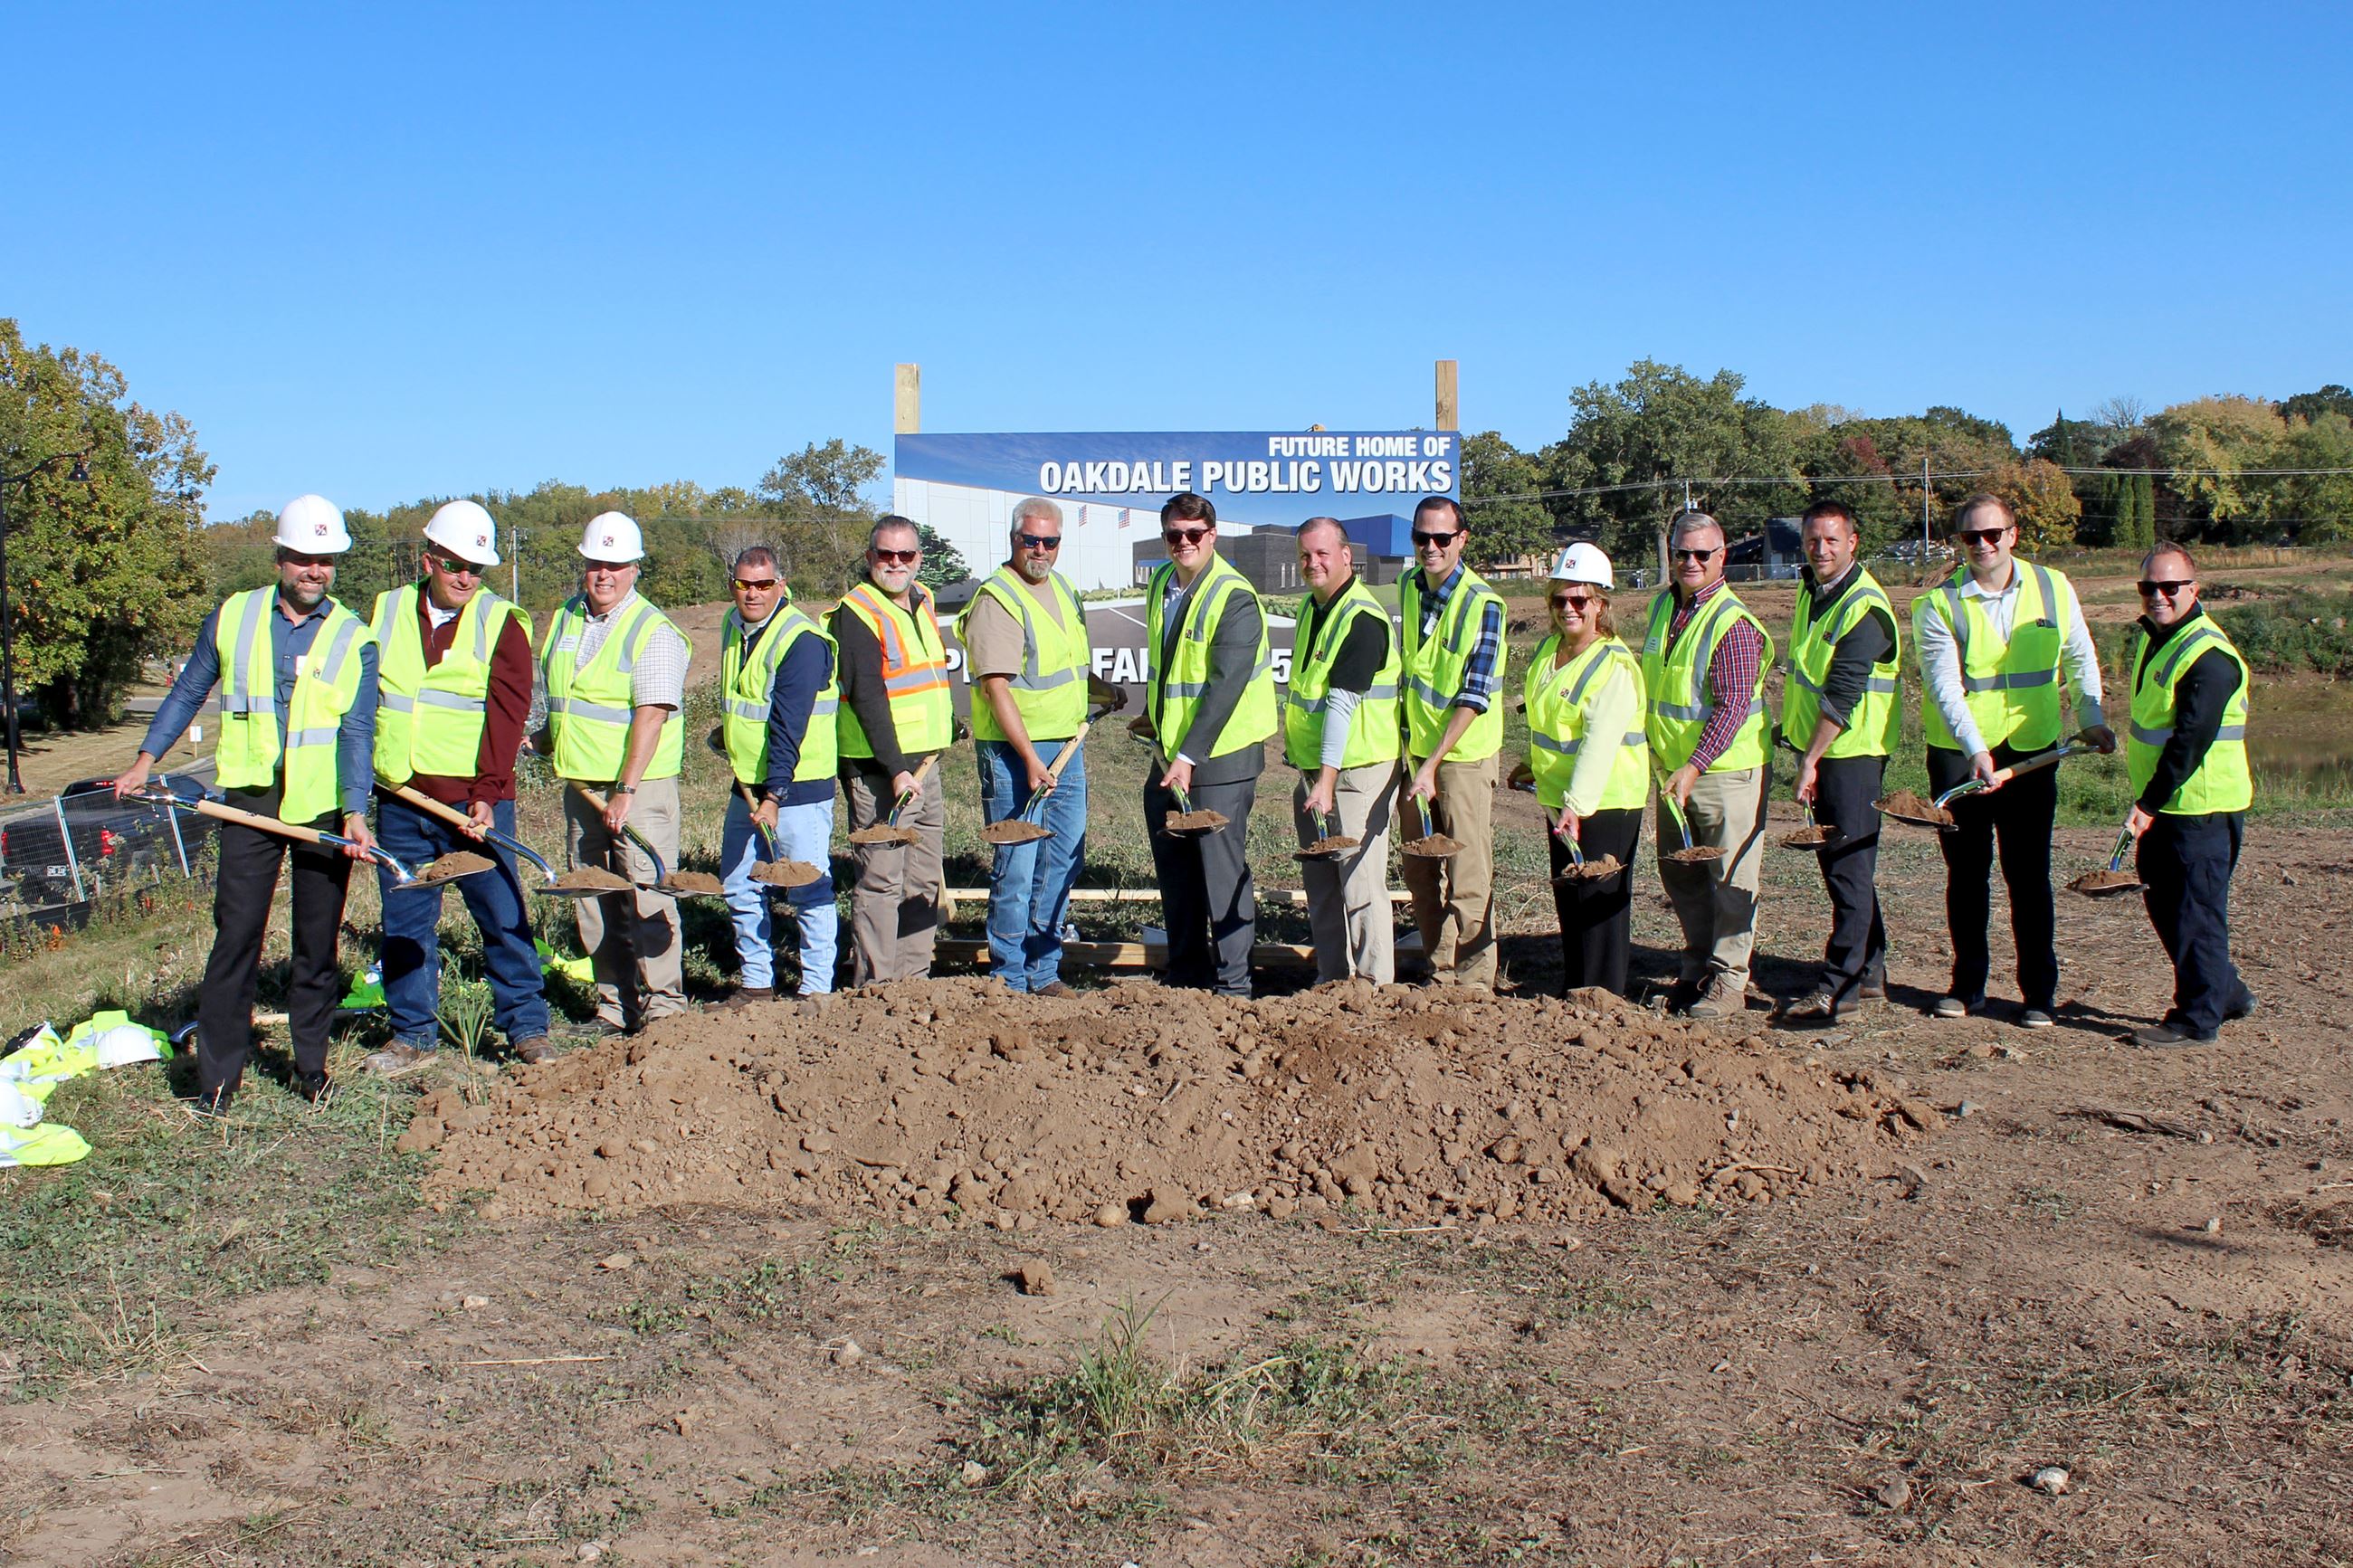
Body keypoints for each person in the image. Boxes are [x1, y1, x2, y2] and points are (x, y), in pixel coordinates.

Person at [111, 495, 379, 1114]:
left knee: (317, 942)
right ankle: (218, 1077)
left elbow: (358, 732)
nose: (317, 570)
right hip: (251, 802)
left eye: (328, 560)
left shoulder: (353, 636)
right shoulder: (233, 616)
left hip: (320, 809)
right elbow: (187, 689)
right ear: (282, 557)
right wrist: (147, 759)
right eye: (306, 558)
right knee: (236, 936)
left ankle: (310, 1066)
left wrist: (356, 810)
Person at [1913, 493, 2115, 1027]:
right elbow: (1944, 687)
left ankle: (2038, 995)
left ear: (2013, 534)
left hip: (2034, 752)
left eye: (1992, 534)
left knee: (2028, 874)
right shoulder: (1939, 604)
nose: (1983, 545)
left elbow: (2078, 654)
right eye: (1970, 538)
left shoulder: (2053, 586)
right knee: (1967, 872)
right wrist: (1975, 750)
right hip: (1961, 757)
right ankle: (1967, 985)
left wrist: (2091, 715)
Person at [365, 499, 549, 1069]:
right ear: (429, 560)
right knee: (405, 922)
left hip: (474, 804)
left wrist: (489, 794)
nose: (466, 578)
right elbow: (363, 698)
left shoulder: (503, 622)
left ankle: (526, 1027)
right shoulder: (386, 611)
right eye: (454, 566)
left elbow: (507, 715)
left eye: (477, 569)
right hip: (400, 797)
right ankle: (412, 1034)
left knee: (501, 913)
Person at [538, 511, 692, 1036]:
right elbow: (566, 694)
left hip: (636, 790)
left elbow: (651, 715)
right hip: (581, 784)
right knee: (593, 894)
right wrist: (546, 738)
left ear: (634, 570)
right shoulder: (567, 617)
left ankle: (665, 1009)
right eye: (596, 564)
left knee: (646, 893)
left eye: (617, 566)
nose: (605, 575)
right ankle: (613, 1006)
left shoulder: (652, 630)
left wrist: (625, 790)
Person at [2120, 544, 2258, 1047]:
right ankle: (2225, 992)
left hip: (2200, 808)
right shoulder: (2158, 636)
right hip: (2171, 806)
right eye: (2148, 587)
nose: (2158, 596)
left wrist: (2149, 802)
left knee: (2196, 913)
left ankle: (2197, 1019)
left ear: (2193, 590)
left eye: (2169, 587)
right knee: (2167, 905)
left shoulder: (2209, 656)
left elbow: (2190, 739)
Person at [1641, 509, 1776, 1019]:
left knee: (1731, 880)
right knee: (1682, 875)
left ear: (1722, 557)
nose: (1691, 562)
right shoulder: (1663, 609)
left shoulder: (1733, 624)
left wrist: (1694, 766)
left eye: (1703, 554)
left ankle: (1729, 980)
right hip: (1674, 773)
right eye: (1682, 553)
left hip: (1722, 774)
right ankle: (1696, 967)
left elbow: (1733, 705)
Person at [1140, 491, 1277, 996]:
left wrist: (1187, 756)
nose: (1183, 543)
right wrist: (1156, 724)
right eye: (1174, 534)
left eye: (1193, 534)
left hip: (1219, 758)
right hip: (1169, 755)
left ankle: (1233, 986)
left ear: (1212, 537)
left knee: (1221, 872)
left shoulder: (1233, 595)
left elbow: (1225, 685)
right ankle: (1186, 973)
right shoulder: (1161, 583)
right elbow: (1170, 668)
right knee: (1177, 872)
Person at [956, 499, 1091, 996]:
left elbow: (1060, 669)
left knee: (1062, 859)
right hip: (1017, 755)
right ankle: (1009, 978)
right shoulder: (998, 598)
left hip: (1066, 747)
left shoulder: (1063, 588)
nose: (1039, 550)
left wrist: (1099, 691)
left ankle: (1043, 969)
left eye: (1049, 541)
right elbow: (997, 687)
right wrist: (1031, 759)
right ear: (1012, 539)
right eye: (1028, 540)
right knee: (1018, 866)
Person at [1777, 500, 1901, 1023]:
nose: (1821, 549)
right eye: (1812, 540)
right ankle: (1870, 968)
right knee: (1843, 869)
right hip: (1827, 753)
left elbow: (1842, 693)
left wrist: (1810, 760)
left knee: (1849, 873)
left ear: (1853, 542)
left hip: (1851, 756)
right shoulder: (1816, 592)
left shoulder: (1865, 608)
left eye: (1832, 540)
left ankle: (1838, 988)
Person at [1520, 544, 1647, 998]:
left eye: (1581, 600)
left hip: (1604, 803)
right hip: (1560, 802)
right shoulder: (1549, 651)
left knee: (1599, 909)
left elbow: (1598, 745)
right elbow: (1547, 720)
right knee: (1571, 901)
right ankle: (1577, 995)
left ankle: (1604, 1003)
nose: (1569, 609)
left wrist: (1576, 805)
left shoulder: (1612, 665)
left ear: (1601, 605)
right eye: (1560, 599)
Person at [716, 545, 839, 1004]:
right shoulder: (734, 626)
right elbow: (747, 701)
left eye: (764, 584)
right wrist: (726, 738)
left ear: (781, 586)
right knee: (739, 883)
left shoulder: (801, 641)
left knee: (808, 885)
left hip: (796, 788)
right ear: (734, 585)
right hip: (747, 783)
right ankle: (756, 983)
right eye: (745, 584)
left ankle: (815, 990)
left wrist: (774, 795)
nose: (753, 593)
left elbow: (790, 723)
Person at [832, 516, 953, 985]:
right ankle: (876, 988)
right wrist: (897, 769)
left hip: (924, 766)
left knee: (923, 878)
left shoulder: (923, 601)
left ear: (919, 558)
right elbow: (867, 695)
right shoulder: (856, 611)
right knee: (881, 881)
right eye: (886, 555)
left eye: (905, 555)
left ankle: (912, 982)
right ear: (870, 559)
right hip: (883, 772)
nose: (896, 563)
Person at [1397, 495, 1508, 991]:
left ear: (1462, 540)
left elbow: (1473, 693)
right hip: (1416, 754)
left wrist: (1432, 762)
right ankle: (1438, 968)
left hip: (1460, 757)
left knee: (1466, 869)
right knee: (1421, 867)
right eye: (1422, 537)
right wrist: (1413, 759)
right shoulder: (1407, 587)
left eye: (1442, 538)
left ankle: (1475, 977)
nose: (1431, 547)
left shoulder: (1484, 604)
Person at [1284, 517, 1399, 985]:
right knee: (1322, 884)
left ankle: (1374, 989)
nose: (1313, 563)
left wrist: (1327, 782)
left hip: (1355, 773)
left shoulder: (1362, 619)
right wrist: (1315, 778)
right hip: (1318, 774)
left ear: (1347, 556)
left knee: (1360, 883)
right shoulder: (1315, 608)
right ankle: (1332, 984)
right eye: (1306, 555)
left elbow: (1342, 703)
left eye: (1323, 554)